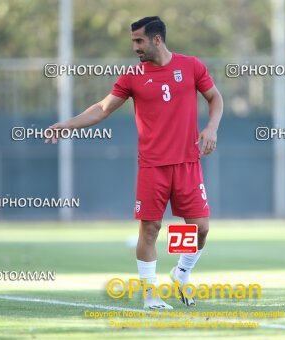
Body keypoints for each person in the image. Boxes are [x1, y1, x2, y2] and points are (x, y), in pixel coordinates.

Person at [45, 16, 223, 310]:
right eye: (133, 41)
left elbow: (215, 98)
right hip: (153, 166)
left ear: (156, 39)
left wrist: (212, 127)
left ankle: (181, 273)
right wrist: (67, 125)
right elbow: (102, 109)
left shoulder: (191, 66)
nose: (135, 47)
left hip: (188, 163)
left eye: (139, 41)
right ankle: (151, 296)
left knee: (199, 227)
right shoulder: (132, 77)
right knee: (150, 229)